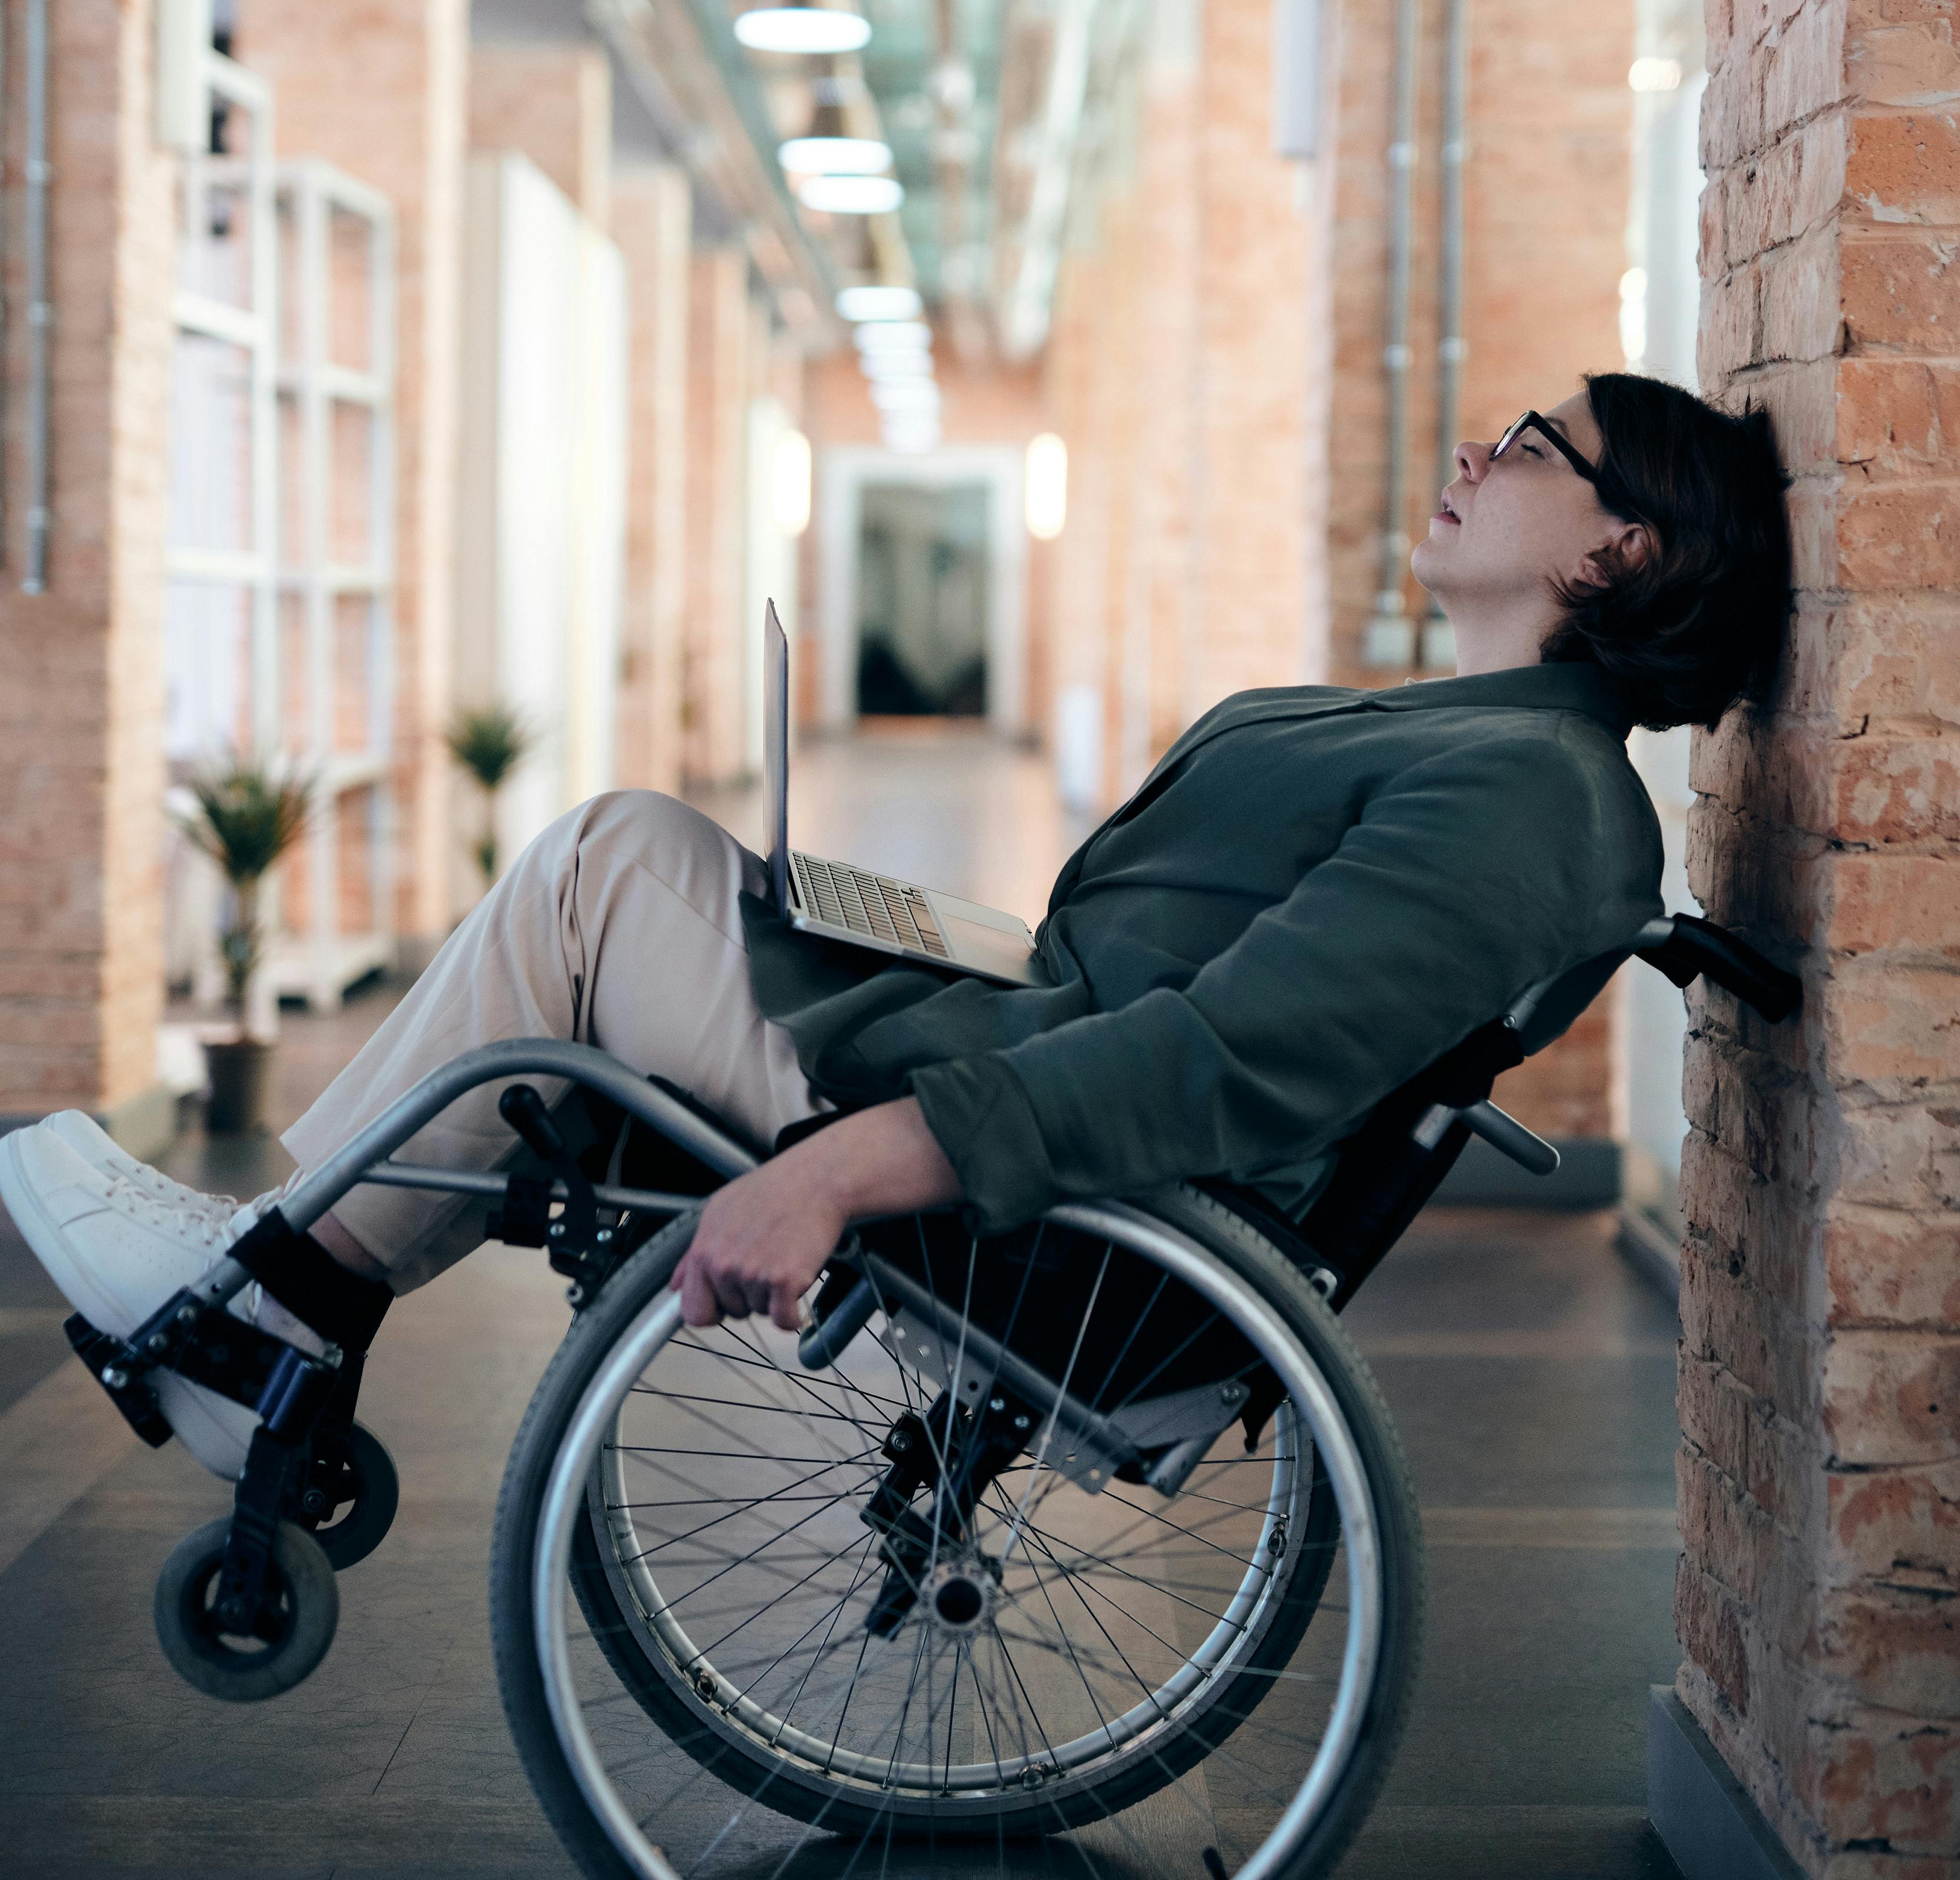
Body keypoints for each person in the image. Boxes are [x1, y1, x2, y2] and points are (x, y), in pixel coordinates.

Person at [0, 375, 1789, 1478]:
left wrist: (843, 1172)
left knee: (604, 865)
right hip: (1011, 1041)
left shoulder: (1535, 800)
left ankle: (271, 1309)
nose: (1486, 441)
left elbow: (1228, 1057)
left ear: (1620, 555)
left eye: (1538, 442)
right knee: (626, 865)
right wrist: (917, 927)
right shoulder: (1468, 739)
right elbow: (1168, 965)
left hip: (1065, 1221)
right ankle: (278, 1297)